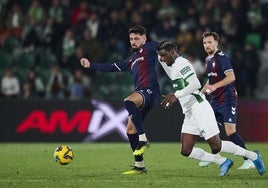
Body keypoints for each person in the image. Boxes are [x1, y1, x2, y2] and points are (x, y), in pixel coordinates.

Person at [157, 40, 265, 176]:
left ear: (172, 52)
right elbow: (160, 59)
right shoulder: (171, 65)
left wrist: (176, 95)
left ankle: (253, 156)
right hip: (189, 111)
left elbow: (195, 83)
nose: (161, 59)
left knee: (216, 145)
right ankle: (222, 161)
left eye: (163, 55)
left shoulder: (182, 64)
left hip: (199, 107)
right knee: (186, 150)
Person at [80, 25, 160, 175]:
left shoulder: (150, 47)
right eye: (131, 39)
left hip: (150, 90)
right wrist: (90, 64)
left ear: (144, 38)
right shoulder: (131, 60)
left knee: (128, 101)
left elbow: (169, 47)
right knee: (130, 131)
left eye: (137, 38)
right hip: (141, 94)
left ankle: (143, 139)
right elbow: (110, 67)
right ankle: (140, 166)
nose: (133, 42)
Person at [200, 31, 255, 169]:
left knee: (230, 132)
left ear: (216, 43)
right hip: (215, 100)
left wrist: (214, 86)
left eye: (210, 42)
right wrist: (202, 91)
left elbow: (231, 77)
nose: (207, 45)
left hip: (228, 99)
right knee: (208, 128)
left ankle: (249, 159)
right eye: (205, 43)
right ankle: (216, 157)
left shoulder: (222, 57)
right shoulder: (208, 59)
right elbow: (212, 79)